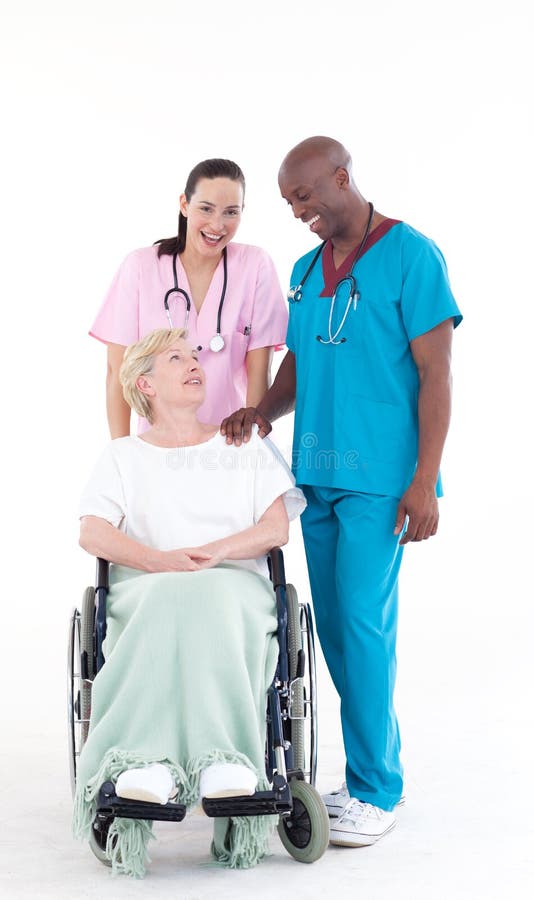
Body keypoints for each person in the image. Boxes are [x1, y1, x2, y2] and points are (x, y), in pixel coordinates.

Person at [221, 136, 462, 848]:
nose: (299, 211)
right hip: (317, 474)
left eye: (306, 195)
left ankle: (377, 789)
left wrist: (424, 480)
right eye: (290, 203)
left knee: (362, 627)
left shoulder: (412, 255)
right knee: (334, 633)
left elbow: (437, 375)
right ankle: (362, 779)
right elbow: (303, 354)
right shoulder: (306, 268)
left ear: (342, 177)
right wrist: (263, 411)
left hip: (381, 482)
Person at [73, 327, 305, 877]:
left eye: (196, 354)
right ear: (145, 383)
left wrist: (213, 552)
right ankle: (146, 761)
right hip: (148, 588)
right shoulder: (122, 456)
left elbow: (276, 528)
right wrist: (159, 561)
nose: (195, 363)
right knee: (169, 599)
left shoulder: (243, 444)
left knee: (207, 596)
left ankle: (223, 759)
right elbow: (92, 532)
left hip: (234, 589)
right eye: (176, 358)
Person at [90, 158, 288, 437]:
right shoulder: (140, 267)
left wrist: (250, 448)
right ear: (184, 204)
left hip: (229, 446)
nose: (217, 225)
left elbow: (260, 372)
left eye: (231, 212)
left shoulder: (255, 266)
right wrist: (122, 455)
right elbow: (117, 373)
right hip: (157, 447)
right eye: (206, 209)